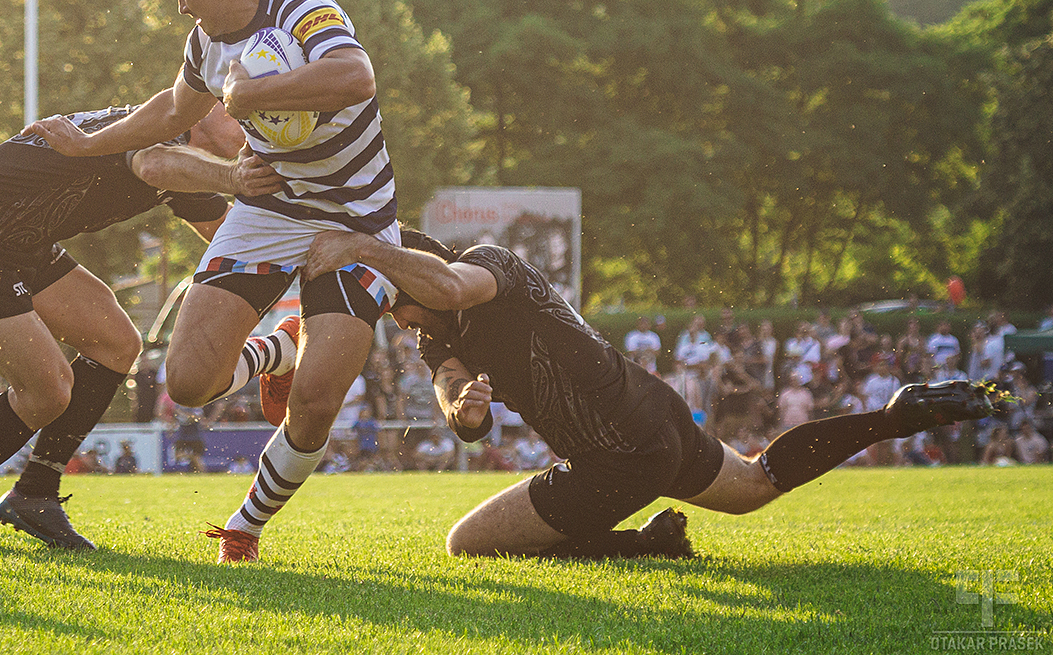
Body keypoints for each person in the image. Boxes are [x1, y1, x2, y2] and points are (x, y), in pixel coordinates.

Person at [24, 0, 402, 564]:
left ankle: (244, 526)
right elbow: (173, 112)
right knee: (190, 380)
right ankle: (277, 350)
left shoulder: (302, 6)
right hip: (268, 209)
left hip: (355, 216)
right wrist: (89, 143)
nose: (180, 4)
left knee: (315, 403)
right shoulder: (205, 41)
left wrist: (255, 93)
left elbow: (355, 77)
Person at [303, 228, 999, 560]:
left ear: (413, 277)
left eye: (396, 307)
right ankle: (890, 416)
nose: (399, 321)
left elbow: (451, 287)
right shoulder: (438, 336)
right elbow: (455, 400)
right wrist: (467, 411)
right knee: (757, 482)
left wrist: (362, 247)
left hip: (619, 450)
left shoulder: (486, 264)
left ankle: (644, 545)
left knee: (466, 544)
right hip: (654, 415)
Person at [0, 101, 283, 549]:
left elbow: (237, 244)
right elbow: (156, 162)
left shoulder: (189, 168)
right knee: (48, 389)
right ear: (204, 107)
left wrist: (314, 256)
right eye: (239, 113)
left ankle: (35, 493)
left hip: (18, 241)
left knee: (118, 343)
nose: (251, 127)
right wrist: (235, 178)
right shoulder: (159, 131)